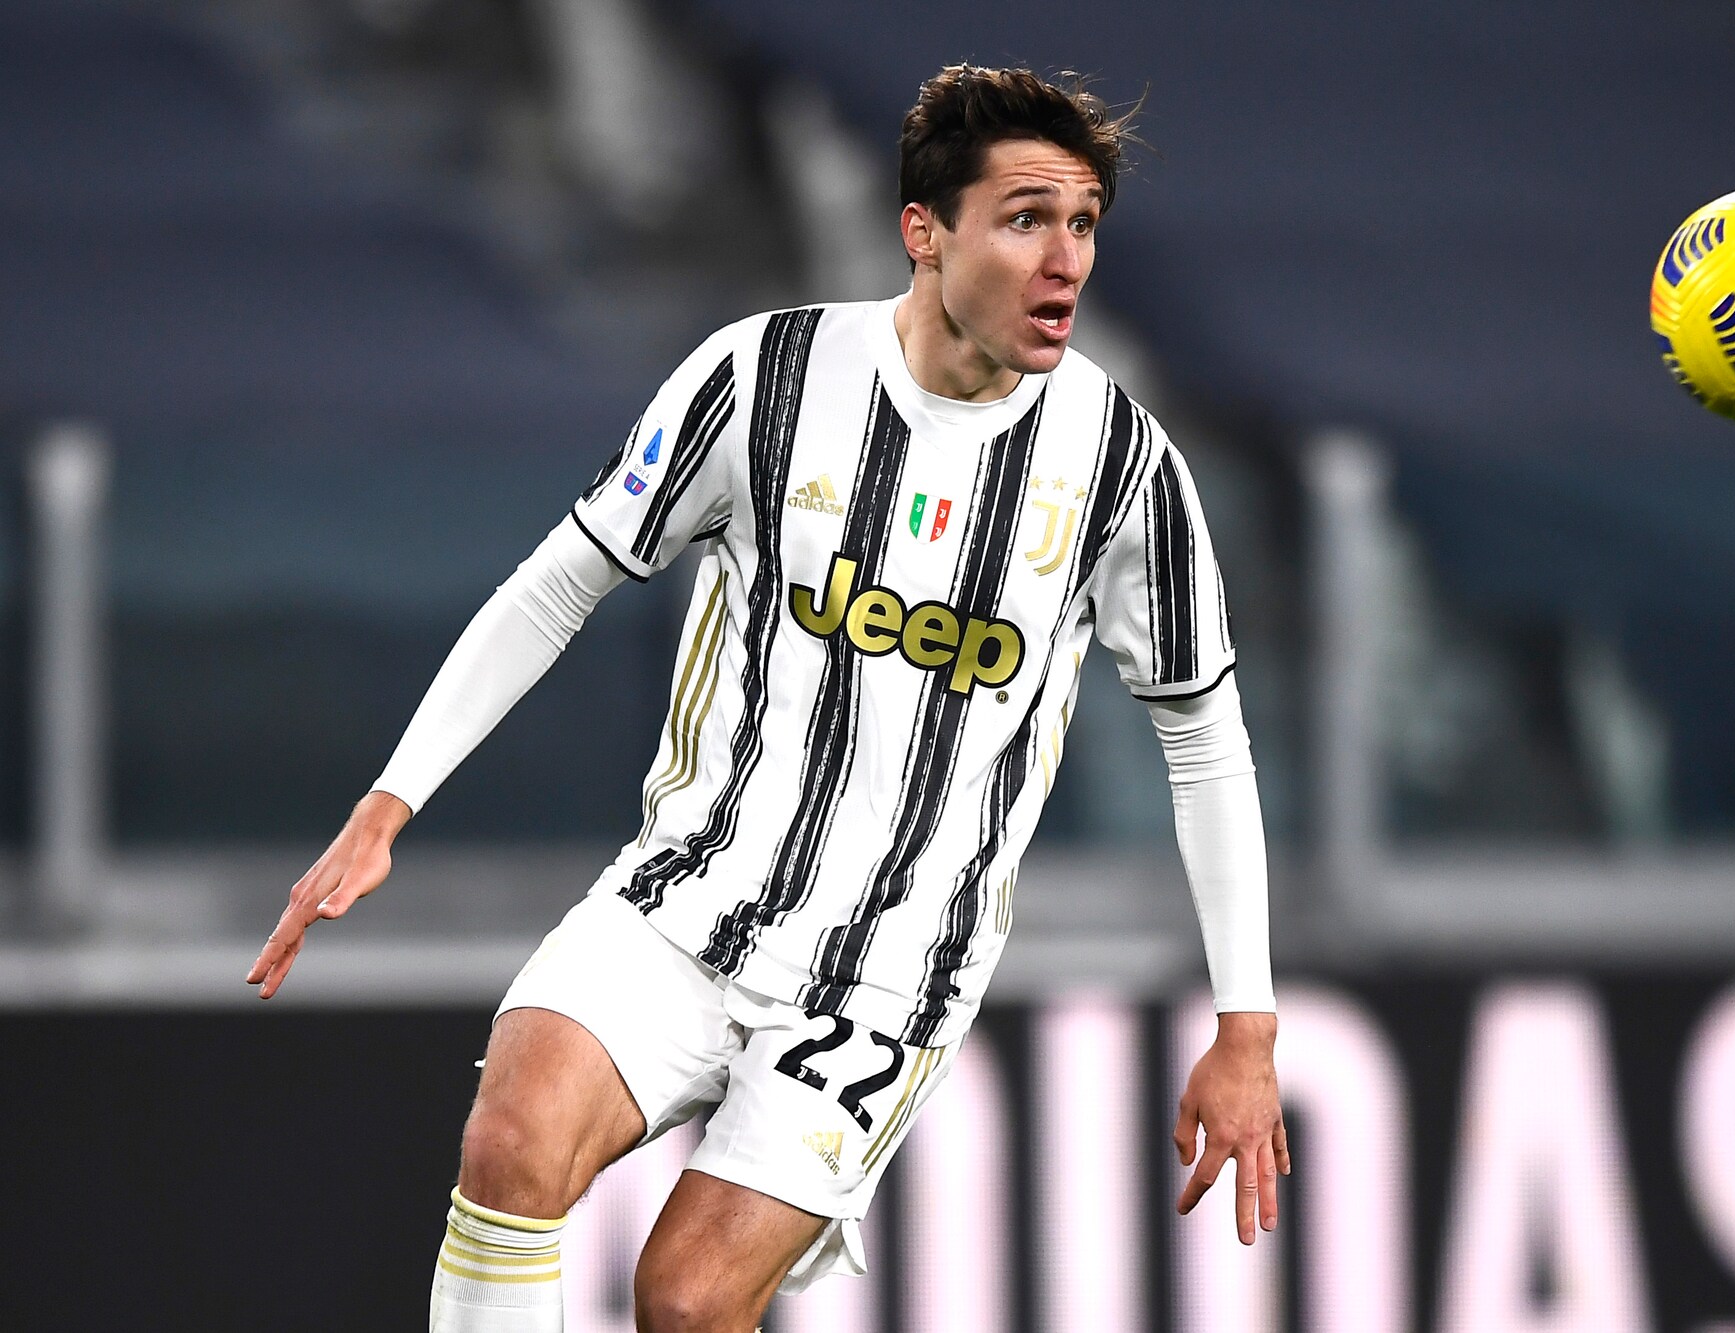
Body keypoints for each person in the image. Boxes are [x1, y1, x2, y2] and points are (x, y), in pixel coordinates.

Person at [247, 64, 1286, 1333]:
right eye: (1024, 219)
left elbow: (1203, 736)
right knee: (510, 1146)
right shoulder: (763, 378)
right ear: (923, 230)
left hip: (885, 980)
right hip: (684, 902)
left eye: (1081, 223)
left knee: (686, 1301)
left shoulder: (1121, 465)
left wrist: (1245, 1026)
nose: (1064, 257)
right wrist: (390, 801)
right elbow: (560, 582)